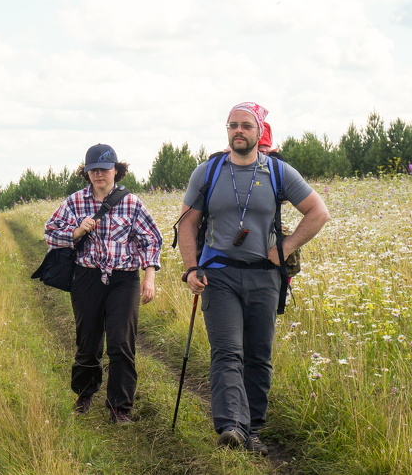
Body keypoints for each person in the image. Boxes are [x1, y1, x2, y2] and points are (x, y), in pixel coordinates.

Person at [177, 102, 330, 455]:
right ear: (226, 131)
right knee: (228, 352)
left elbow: (318, 212)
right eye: (232, 125)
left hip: (265, 278)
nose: (238, 131)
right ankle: (232, 427)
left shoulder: (278, 172)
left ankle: (254, 430)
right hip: (219, 276)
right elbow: (187, 223)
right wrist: (190, 268)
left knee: (258, 356)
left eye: (246, 125)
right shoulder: (208, 171)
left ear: (259, 131)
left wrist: (286, 248)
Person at [44, 144, 163, 424]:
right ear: (86, 173)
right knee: (88, 341)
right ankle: (85, 394)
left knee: (121, 343)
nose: (99, 174)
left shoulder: (131, 203)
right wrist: (75, 232)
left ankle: (120, 407)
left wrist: (149, 278)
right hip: (87, 277)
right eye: (93, 170)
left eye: (104, 169)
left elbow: (151, 240)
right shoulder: (74, 202)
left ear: (116, 170)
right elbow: (50, 233)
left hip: (124, 280)